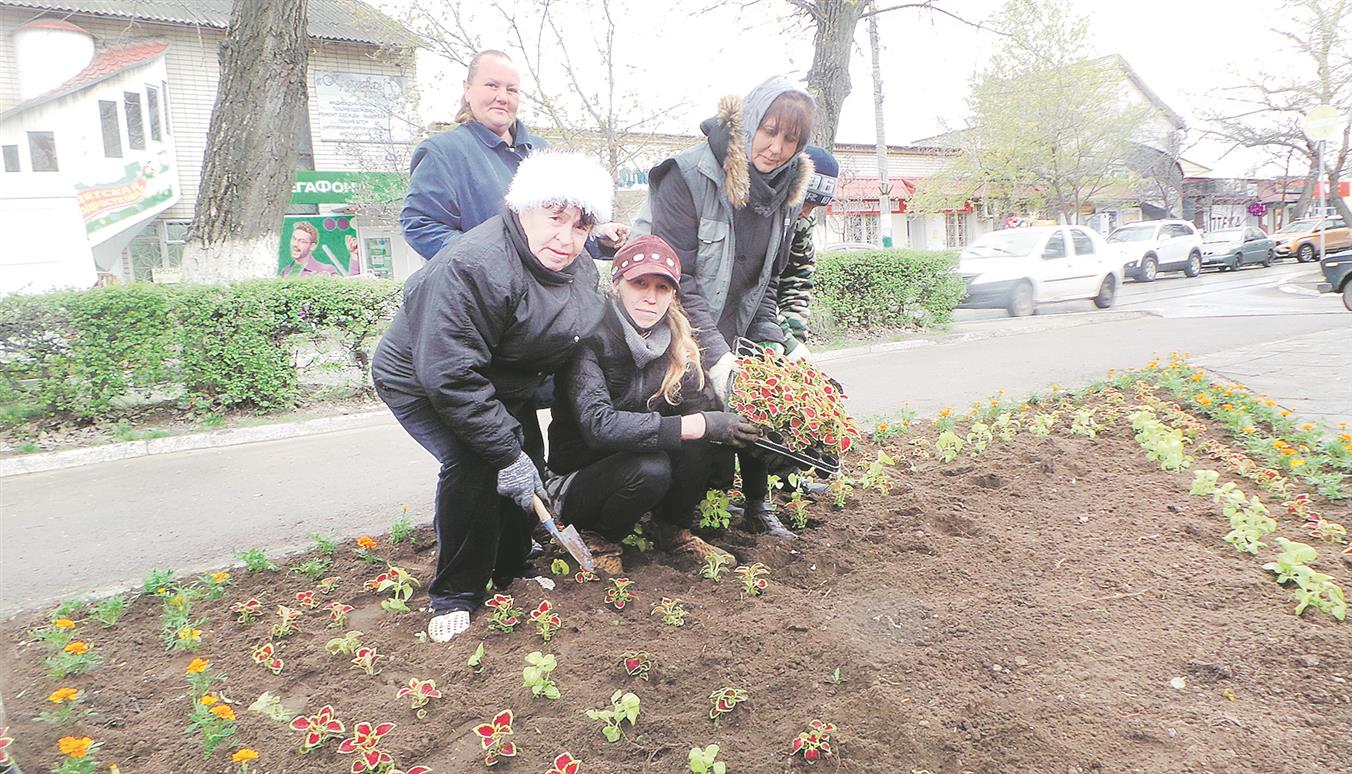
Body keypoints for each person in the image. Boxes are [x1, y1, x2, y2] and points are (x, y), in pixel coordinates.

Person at [371, 152, 614, 643]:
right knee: (476, 463)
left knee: (528, 462)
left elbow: (576, 333)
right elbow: (451, 375)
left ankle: (512, 565)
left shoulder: (578, 265)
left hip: (504, 379)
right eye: (555, 219)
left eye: (581, 226)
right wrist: (505, 451)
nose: (566, 239)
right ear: (522, 207)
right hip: (426, 379)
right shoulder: (473, 265)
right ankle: (454, 592)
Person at [636, 75, 816, 540]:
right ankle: (675, 521)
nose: (776, 148)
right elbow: (680, 277)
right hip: (674, 323)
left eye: (790, 139)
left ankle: (756, 503)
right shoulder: (688, 175)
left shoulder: (785, 198)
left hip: (736, 325)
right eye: (769, 130)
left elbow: (766, 283)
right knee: (695, 417)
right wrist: (716, 356)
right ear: (749, 122)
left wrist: (778, 344)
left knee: (764, 395)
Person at [546, 235, 761, 573]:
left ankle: (673, 529)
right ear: (617, 285)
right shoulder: (588, 339)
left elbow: (696, 411)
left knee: (710, 434)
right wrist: (698, 425)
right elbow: (598, 427)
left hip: (635, 462)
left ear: (673, 294)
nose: (650, 296)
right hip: (579, 479)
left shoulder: (676, 341)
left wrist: (740, 430)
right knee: (655, 465)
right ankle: (600, 537)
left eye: (662, 288)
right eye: (639, 283)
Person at [400, 49, 628, 260]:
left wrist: (598, 237)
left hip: (544, 296)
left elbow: (562, 227)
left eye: (511, 90)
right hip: (482, 295)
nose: (502, 97)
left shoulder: (543, 153)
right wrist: (492, 260)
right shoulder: (442, 152)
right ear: (467, 89)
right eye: (491, 85)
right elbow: (421, 225)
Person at [776, 145, 838, 358]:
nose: (807, 213)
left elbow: (798, 281)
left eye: (815, 208)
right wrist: (783, 337)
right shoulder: (759, 216)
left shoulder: (802, 224)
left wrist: (795, 339)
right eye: (806, 202)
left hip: (773, 323)